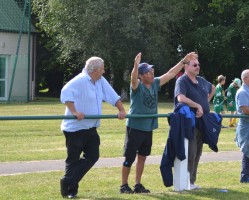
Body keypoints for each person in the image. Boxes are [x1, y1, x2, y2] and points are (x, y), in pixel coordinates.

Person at [120, 52, 198, 194]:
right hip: (135, 127)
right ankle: (124, 185)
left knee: (143, 156)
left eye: (152, 71)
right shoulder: (137, 86)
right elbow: (132, 79)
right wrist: (136, 65)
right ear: (141, 76)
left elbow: (169, 74)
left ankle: (137, 184)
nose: (151, 73)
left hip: (148, 128)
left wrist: (183, 61)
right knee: (129, 158)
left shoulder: (155, 83)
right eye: (148, 72)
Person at [60, 56, 126, 198]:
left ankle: (67, 180)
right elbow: (65, 93)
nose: (104, 71)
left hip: (91, 128)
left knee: (93, 156)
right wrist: (75, 112)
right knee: (73, 160)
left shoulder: (100, 81)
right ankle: (71, 190)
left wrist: (121, 110)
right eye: (102, 69)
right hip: (75, 129)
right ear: (95, 70)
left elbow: (112, 96)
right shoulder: (79, 80)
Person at [174, 57, 215, 189]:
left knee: (197, 153)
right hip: (189, 122)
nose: (197, 67)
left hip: (202, 123)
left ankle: (191, 182)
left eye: (198, 64)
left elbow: (213, 88)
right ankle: (184, 183)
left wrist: (205, 102)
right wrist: (198, 105)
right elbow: (180, 98)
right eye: (194, 65)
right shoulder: (182, 81)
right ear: (186, 66)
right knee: (190, 152)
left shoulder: (201, 80)